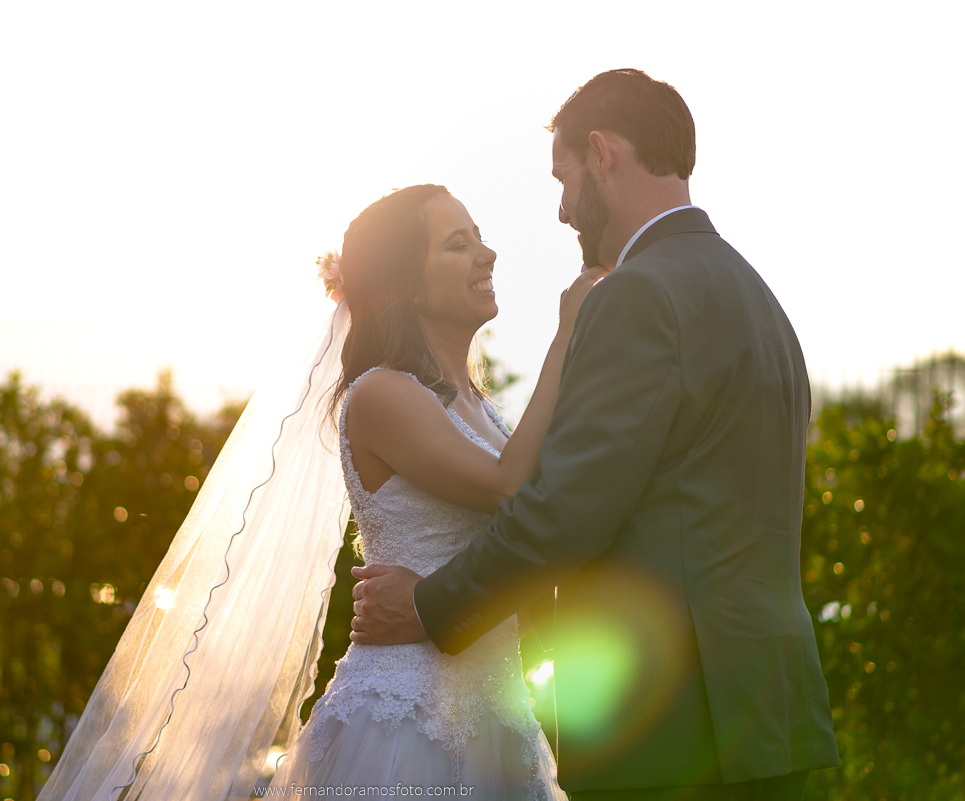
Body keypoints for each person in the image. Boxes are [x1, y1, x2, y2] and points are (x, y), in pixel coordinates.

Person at [349, 69, 841, 801]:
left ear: (603, 154)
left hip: (671, 727)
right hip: (772, 713)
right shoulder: (757, 298)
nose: (562, 210)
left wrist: (430, 606)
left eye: (565, 178)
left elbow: (568, 510)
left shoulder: (638, 295)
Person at [267, 184, 607, 798]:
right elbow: (511, 488)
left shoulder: (481, 409)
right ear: (411, 286)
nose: (487, 254)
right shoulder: (382, 392)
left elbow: (536, 522)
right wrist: (569, 334)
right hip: (407, 723)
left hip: (499, 717)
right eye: (458, 244)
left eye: (479, 238)